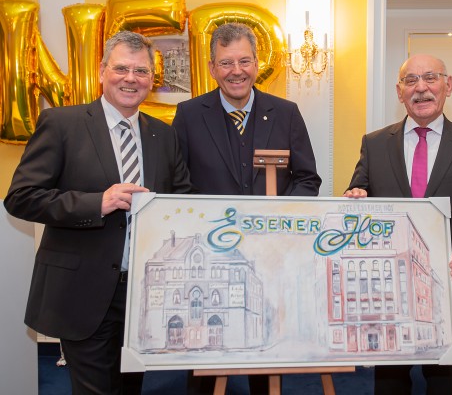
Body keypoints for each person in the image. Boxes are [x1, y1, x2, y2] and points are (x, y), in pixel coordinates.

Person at [4, 31, 195, 394]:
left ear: (151, 81)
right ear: (102, 71)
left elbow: (181, 200)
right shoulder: (62, 124)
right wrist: (97, 202)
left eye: (141, 71)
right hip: (81, 292)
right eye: (121, 68)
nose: (131, 78)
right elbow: (22, 197)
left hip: (142, 295)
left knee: (130, 388)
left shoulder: (163, 135)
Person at [344, 53, 452, 394]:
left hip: (451, 288)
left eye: (431, 78)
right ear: (399, 91)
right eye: (411, 80)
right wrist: (355, 198)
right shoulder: (374, 144)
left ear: (447, 85)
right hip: (386, 291)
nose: (421, 88)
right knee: (389, 385)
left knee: (445, 385)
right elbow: (360, 192)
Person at [172, 22, 322, 394]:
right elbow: (177, 185)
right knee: (204, 358)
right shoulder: (188, 115)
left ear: (257, 63)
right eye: (225, 63)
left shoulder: (286, 113)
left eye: (243, 61)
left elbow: (307, 180)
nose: (235, 71)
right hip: (210, 256)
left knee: (264, 348)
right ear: (211, 68)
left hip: (270, 255)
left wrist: (277, 222)